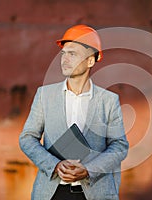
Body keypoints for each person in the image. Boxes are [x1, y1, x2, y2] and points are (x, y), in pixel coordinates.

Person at [19, 24, 129, 200]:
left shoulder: (108, 100)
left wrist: (88, 170)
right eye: (63, 53)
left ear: (90, 61)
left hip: (95, 193)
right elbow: (27, 138)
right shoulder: (44, 95)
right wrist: (54, 165)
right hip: (52, 193)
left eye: (73, 54)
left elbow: (119, 146)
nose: (65, 59)